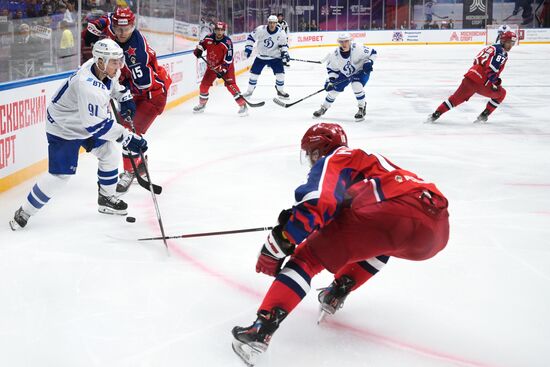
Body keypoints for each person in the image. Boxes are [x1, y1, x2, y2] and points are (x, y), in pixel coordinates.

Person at [231, 122, 450, 367]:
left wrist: (277, 245)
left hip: (393, 211)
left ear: (319, 150)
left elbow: (318, 202)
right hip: (436, 228)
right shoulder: (366, 161)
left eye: (310, 153)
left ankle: (260, 333)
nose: (311, 160)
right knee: (380, 243)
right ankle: (336, 292)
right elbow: (351, 207)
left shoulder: (335, 158)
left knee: (307, 258)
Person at [9, 39, 146, 231]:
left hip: (85, 121)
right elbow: (98, 126)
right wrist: (128, 137)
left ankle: (106, 198)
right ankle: (25, 211)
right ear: (100, 61)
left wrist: (124, 97)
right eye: (115, 61)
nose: (119, 65)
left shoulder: (100, 67)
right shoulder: (87, 85)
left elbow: (112, 86)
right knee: (60, 176)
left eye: (118, 60)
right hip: (63, 127)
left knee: (109, 153)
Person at [83, 7, 171, 193]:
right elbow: (107, 19)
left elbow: (143, 84)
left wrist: (119, 90)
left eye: (126, 29)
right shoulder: (116, 27)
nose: (121, 33)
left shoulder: (136, 54)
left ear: (133, 26)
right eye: (117, 28)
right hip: (139, 93)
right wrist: (95, 27)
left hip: (152, 96)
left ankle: (130, 171)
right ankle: (139, 164)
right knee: (126, 131)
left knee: (128, 133)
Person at [427, 31, 517, 124]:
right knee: (501, 94)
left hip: (470, 77)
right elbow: (490, 70)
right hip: (483, 83)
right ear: (502, 41)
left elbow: (476, 61)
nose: (510, 46)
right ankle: (483, 116)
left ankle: (435, 115)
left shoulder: (490, 48)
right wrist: (496, 82)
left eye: (512, 43)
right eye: (508, 42)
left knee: (454, 100)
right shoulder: (501, 53)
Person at [313, 32, 377, 122]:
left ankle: (361, 108)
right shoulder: (334, 54)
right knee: (334, 90)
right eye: (341, 42)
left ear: (350, 41)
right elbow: (332, 69)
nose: (344, 44)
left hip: (361, 70)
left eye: (346, 41)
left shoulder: (358, 48)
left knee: (356, 85)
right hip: (346, 73)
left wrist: (369, 62)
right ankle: (324, 107)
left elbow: (373, 52)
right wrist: (331, 81)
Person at [192, 21, 247, 116]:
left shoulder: (227, 42)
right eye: (217, 30)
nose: (219, 32)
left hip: (226, 67)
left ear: (224, 31)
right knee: (203, 86)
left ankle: (243, 105)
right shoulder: (208, 37)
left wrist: (223, 70)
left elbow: (229, 59)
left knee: (231, 86)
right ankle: (202, 105)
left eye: (221, 30)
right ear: (215, 30)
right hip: (212, 67)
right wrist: (198, 51)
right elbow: (201, 45)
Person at [243, 15, 290, 99]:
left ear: (276, 23)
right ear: (268, 22)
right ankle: (249, 91)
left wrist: (285, 52)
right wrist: (248, 47)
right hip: (261, 57)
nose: (272, 25)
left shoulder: (281, 32)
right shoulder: (261, 29)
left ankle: (280, 91)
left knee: (280, 75)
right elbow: (251, 37)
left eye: (274, 23)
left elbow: (284, 44)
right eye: (270, 23)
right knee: (253, 74)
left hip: (275, 57)